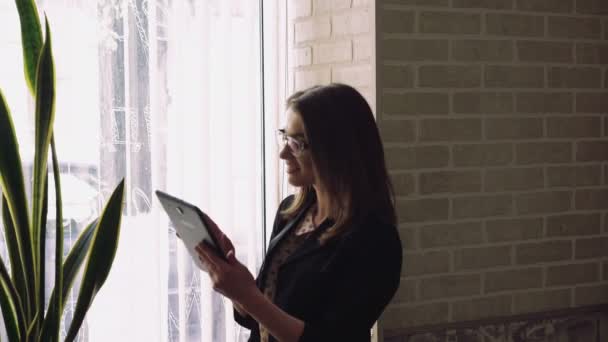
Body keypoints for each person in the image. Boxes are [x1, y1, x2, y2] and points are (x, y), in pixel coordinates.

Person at [196, 83, 402, 342]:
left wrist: (248, 295)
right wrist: (234, 282)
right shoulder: (290, 213)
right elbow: (261, 317)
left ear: (337, 149)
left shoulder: (375, 240)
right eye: (284, 137)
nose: (283, 153)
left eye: (297, 143)